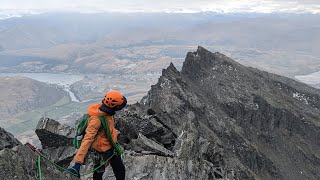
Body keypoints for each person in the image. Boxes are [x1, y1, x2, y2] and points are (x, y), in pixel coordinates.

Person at [67, 90, 127, 180]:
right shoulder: (96, 120)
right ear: (114, 107)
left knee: (120, 170)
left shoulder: (107, 112)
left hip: (111, 146)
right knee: (99, 174)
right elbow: (87, 140)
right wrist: (77, 163)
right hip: (101, 151)